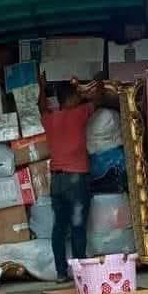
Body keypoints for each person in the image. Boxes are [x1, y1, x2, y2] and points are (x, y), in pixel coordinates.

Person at [41, 82, 94, 283]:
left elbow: (41, 107)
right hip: (76, 179)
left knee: (59, 228)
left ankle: (61, 273)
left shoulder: (49, 119)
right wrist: (87, 90)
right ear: (71, 98)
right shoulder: (80, 112)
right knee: (78, 226)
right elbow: (98, 97)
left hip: (56, 181)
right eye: (76, 95)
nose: (79, 98)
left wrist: (41, 86)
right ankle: (81, 274)